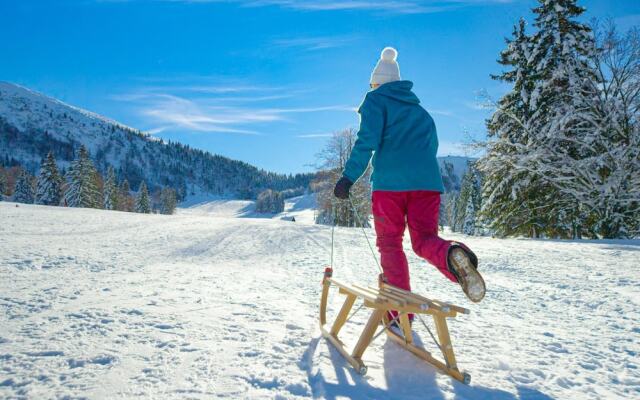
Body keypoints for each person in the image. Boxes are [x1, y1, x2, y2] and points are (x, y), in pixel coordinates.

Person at [333, 47, 486, 310]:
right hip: (427, 185)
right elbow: (431, 147)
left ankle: (398, 316)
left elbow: (366, 142)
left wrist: (348, 177)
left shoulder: (375, 100)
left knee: (391, 244)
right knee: (425, 240)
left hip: (390, 187)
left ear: (378, 82)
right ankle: (452, 254)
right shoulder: (421, 113)